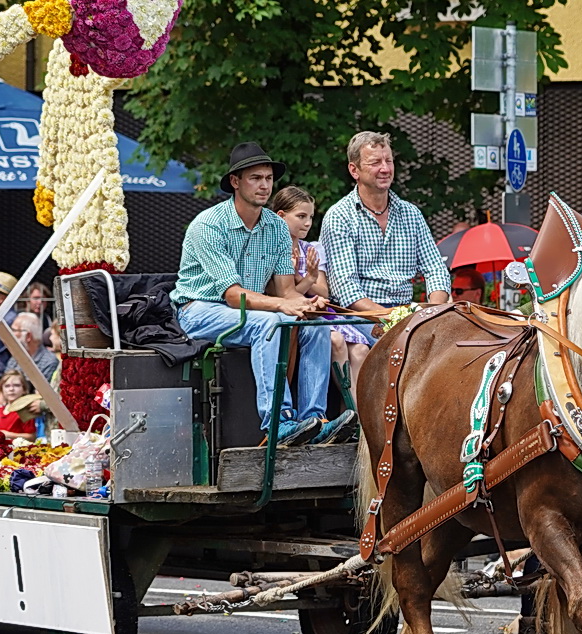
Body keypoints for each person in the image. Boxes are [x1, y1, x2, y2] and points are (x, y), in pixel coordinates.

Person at [174, 143, 350, 446]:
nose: (264, 185)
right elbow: (233, 296)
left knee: (317, 326)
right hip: (198, 310)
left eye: (268, 178)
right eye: (255, 178)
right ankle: (279, 424)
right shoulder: (208, 225)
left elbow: (285, 292)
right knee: (269, 325)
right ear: (235, 182)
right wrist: (284, 305)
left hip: (250, 310)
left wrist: (309, 303)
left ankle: (314, 421)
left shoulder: (277, 229)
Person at [320, 131, 453, 325]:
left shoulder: (411, 213)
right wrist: (392, 318)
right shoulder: (339, 215)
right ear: (354, 170)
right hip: (361, 318)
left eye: (389, 161)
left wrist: (432, 311)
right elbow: (346, 289)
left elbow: (436, 270)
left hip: (408, 314)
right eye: (375, 163)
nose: (385, 169)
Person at [272, 185, 372, 402]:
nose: (307, 223)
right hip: (299, 315)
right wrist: (305, 278)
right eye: (301, 216)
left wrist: (308, 276)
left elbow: (323, 290)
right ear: (281, 215)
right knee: (336, 341)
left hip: (322, 312)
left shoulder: (312, 249)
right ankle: (352, 408)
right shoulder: (274, 249)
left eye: (310, 217)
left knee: (361, 349)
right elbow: (286, 295)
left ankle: (355, 411)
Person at [11, 311, 59, 388]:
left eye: (14, 330)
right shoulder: (15, 358)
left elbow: (42, 394)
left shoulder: (49, 362)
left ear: (28, 336)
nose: (11, 334)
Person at [0, 370, 42, 442]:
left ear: (24, 390)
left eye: (16, 385)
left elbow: (32, 437)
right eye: (7, 386)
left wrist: (8, 435)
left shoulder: (25, 411)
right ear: (2, 390)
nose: (11, 389)